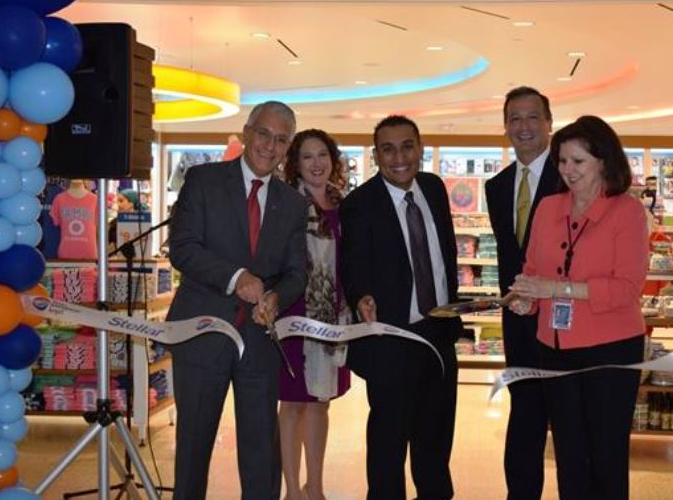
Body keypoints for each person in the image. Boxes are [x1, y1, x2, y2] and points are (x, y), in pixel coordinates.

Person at [166, 101, 308, 500]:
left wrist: (277, 297)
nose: (270, 146)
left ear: (288, 147)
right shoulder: (203, 180)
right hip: (201, 336)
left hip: (260, 342)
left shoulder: (293, 203)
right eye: (263, 134)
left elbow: (297, 272)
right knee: (193, 450)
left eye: (281, 140)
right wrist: (236, 278)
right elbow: (183, 248)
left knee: (262, 455)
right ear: (246, 133)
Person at [509, 115, 649, 500]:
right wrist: (526, 299)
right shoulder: (547, 208)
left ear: (604, 161)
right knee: (568, 452)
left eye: (578, 161)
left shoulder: (627, 211)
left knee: (606, 452)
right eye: (562, 161)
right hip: (554, 348)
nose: (567, 170)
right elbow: (533, 270)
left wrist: (555, 288)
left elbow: (627, 289)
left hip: (611, 350)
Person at [340, 115, 462, 500]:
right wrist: (361, 296)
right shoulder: (360, 204)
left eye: (407, 147)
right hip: (391, 340)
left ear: (420, 148)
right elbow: (352, 265)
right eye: (388, 149)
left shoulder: (434, 188)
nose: (399, 158)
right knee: (388, 447)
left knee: (436, 442)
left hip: (439, 335)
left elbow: (444, 254)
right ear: (376, 155)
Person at [484, 86, 560, 500]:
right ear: (505, 126)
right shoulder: (496, 187)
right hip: (517, 322)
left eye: (533, 117)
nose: (524, 126)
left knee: (568, 421)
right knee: (525, 415)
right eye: (515, 118)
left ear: (549, 123)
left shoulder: (570, 176)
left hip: (565, 321)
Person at [278, 129, 352, 500]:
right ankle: (293, 489)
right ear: (296, 163)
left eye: (322, 154)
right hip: (294, 313)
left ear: (333, 160)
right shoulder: (287, 204)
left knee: (320, 403)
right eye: (307, 156)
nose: (316, 163)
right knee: (292, 403)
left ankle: (316, 487)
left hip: (333, 316)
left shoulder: (344, 204)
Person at [50, 179, 99, 260]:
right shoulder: (59, 199)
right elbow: (56, 222)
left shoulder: (95, 200)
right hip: (66, 252)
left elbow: (98, 228)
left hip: (89, 253)